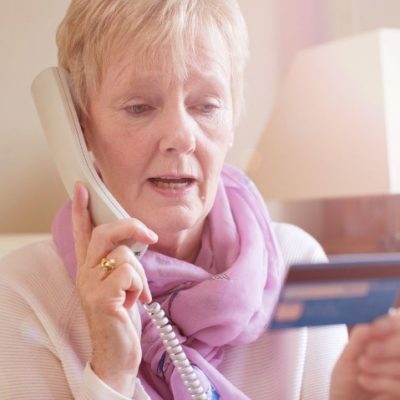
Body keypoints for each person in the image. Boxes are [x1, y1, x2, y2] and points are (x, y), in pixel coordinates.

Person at [1, 0, 400, 399]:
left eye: (206, 106)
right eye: (139, 107)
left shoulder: (297, 262)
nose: (182, 136)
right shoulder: (22, 292)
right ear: (79, 129)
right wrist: (111, 375)